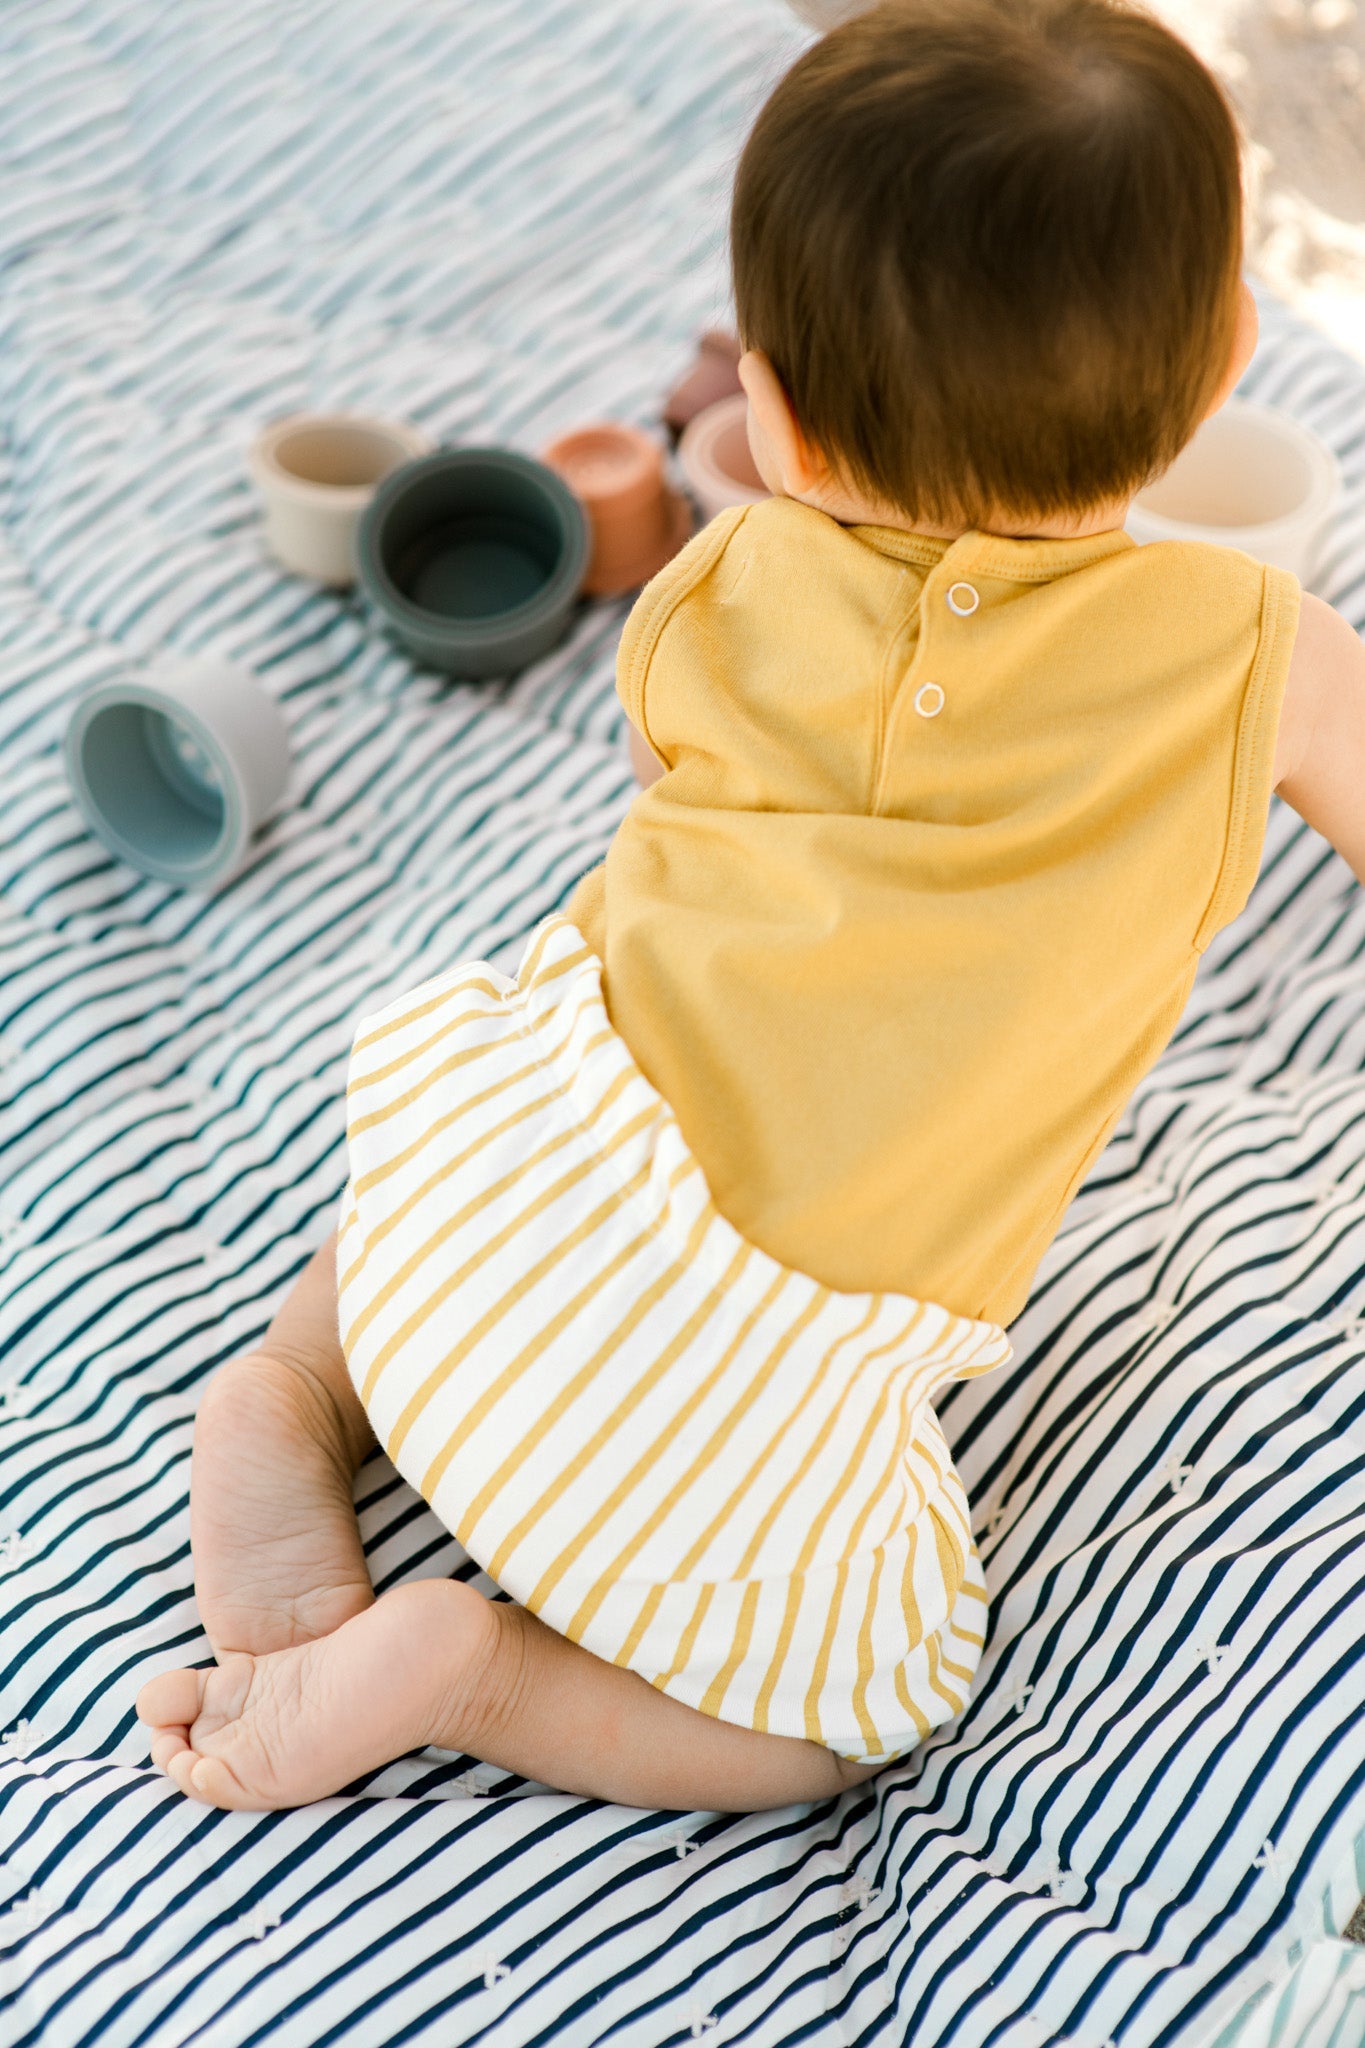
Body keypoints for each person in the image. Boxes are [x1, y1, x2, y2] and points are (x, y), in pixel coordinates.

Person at [136, 0, 1365, 1813]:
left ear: (772, 422)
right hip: (723, 1398)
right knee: (864, 1704)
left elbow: (666, 800)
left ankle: (292, 1389)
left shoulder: (719, 581)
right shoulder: (1266, 656)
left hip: (468, 1209)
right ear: (1227, 365)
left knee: (541, 1066)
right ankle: (465, 1668)